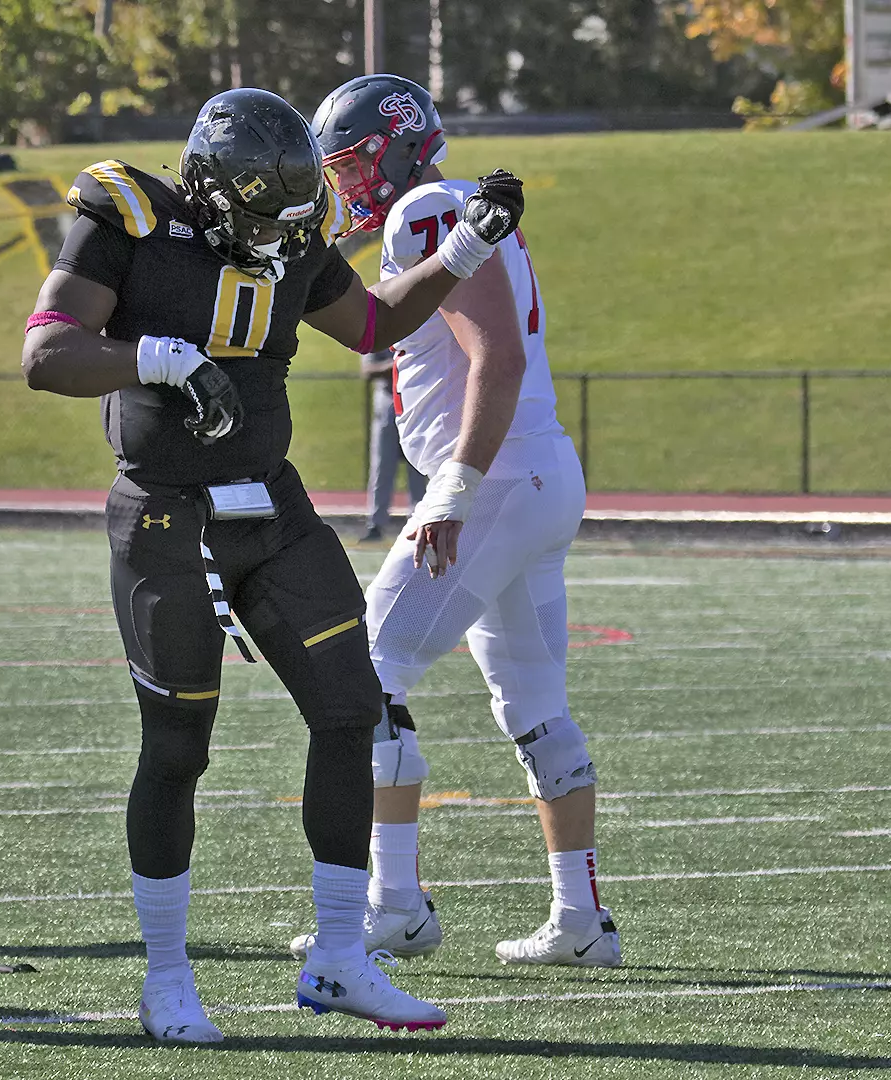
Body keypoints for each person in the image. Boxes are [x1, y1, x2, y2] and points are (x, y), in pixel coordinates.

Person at [22, 87, 524, 1041]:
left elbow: (374, 328)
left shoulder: (291, 232)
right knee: (178, 749)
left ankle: (339, 959)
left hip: (269, 506)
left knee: (352, 712)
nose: (279, 238)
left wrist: (469, 246)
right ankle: (167, 978)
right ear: (209, 189)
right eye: (263, 217)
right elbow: (47, 354)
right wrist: (163, 359)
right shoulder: (127, 218)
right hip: (166, 514)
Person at [295, 74, 615, 970]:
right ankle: (580, 919)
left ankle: (395, 906)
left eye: (354, 161)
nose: (349, 182)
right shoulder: (441, 210)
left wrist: (454, 486)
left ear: (395, 144)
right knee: (536, 704)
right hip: (538, 475)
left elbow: (497, 355)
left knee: (366, 674)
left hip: (497, 479)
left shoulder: (429, 211)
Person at [361, 348, 425, 542]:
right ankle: (376, 523)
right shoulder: (382, 329)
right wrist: (397, 364)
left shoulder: (417, 327)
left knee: (418, 466)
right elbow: (368, 370)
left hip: (416, 400)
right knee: (383, 465)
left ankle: (419, 520)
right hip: (388, 401)